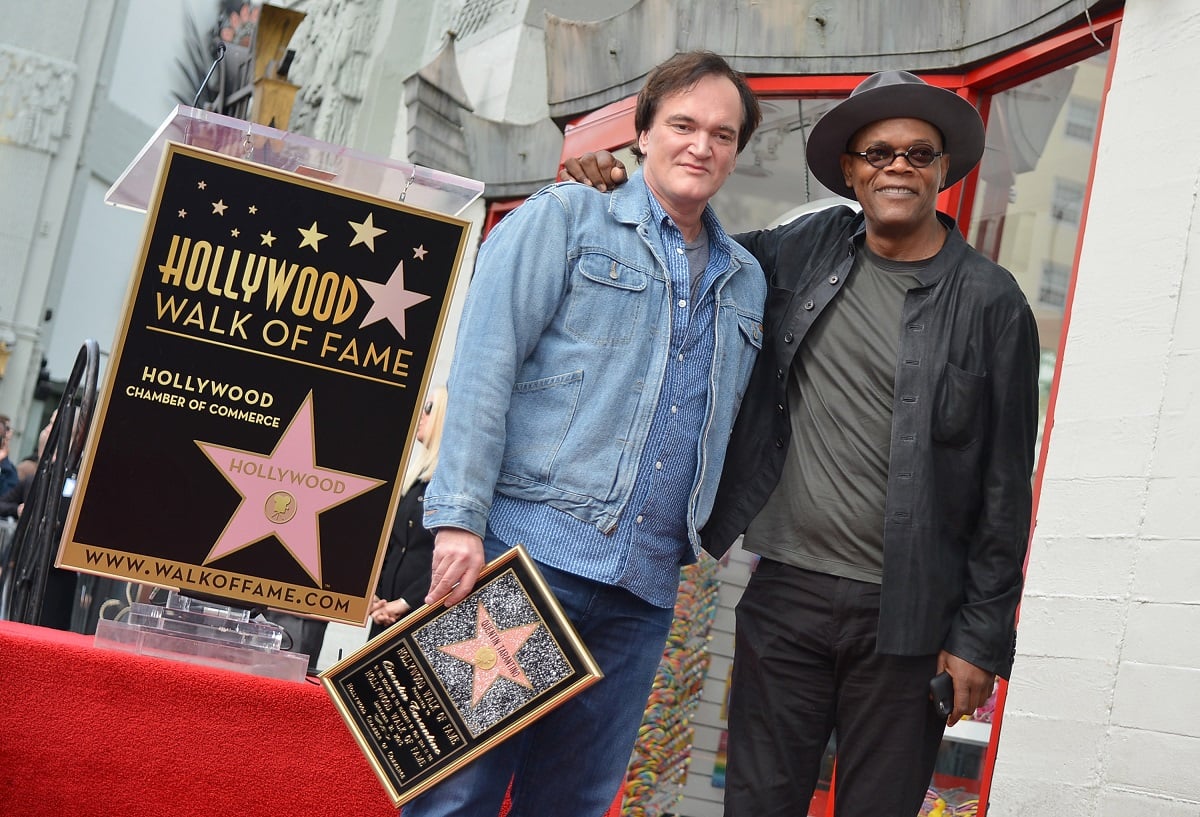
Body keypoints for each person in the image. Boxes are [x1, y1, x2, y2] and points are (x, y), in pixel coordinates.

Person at [563, 70, 1039, 817]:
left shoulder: (991, 301)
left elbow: (1005, 488)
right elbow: (689, 248)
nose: (899, 167)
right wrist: (612, 188)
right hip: (785, 593)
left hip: (911, 618)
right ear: (850, 170)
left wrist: (979, 638)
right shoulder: (802, 249)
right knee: (757, 804)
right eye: (879, 153)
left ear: (943, 169)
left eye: (920, 153)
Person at [417, 51, 765, 817]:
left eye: (722, 133)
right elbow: (483, 369)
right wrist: (458, 520)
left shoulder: (746, 280)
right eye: (682, 124)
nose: (701, 145)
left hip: (641, 594)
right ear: (643, 132)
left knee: (571, 804)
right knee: (457, 795)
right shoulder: (564, 219)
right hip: (522, 562)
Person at [367, 385, 446, 638]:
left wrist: (404, 603)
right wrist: (376, 597)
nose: (421, 415)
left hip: (421, 614)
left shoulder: (449, 485)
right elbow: (392, 544)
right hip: (385, 614)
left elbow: (442, 557)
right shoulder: (414, 480)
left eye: (429, 408)